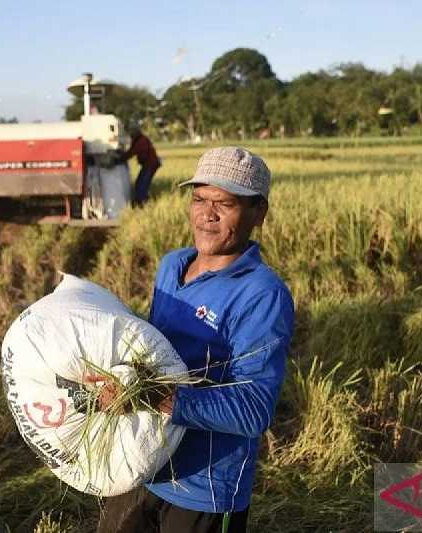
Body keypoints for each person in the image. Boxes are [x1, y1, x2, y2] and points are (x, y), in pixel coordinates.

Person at [98, 147, 295, 533]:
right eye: (200, 199)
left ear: (258, 213)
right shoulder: (172, 265)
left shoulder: (263, 295)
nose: (208, 213)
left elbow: (254, 410)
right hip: (142, 462)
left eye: (225, 203)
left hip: (203, 488)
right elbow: (153, 355)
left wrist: (152, 397)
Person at [116, 123, 161, 206]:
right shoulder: (138, 139)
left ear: (135, 132)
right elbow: (131, 151)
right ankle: (143, 201)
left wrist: (120, 159)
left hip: (150, 164)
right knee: (139, 183)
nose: (130, 135)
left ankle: (141, 203)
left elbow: (132, 152)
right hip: (148, 164)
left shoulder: (141, 141)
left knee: (142, 184)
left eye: (131, 133)